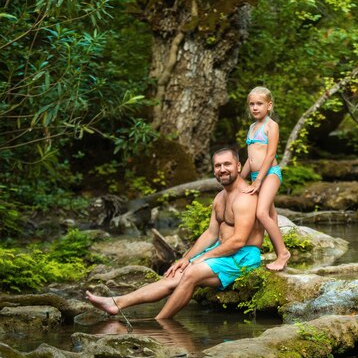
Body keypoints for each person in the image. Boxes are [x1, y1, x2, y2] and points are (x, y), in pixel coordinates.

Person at [86, 148, 264, 320]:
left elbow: (238, 241)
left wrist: (203, 258)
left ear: (239, 167)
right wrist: (185, 259)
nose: (222, 169)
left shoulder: (245, 197)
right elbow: (211, 233)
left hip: (242, 256)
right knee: (174, 275)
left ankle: (159, 324)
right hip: (222, 252)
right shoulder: (220, 198)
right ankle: (116, 303)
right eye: (218, 166)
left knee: (191, 273)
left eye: (227, 164)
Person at [240, 86, 290, 271]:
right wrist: (239, 179)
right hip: (256, 175)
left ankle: (283, 253)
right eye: (251, 104)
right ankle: (272, 254)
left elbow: (269, 156)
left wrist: (258, 180)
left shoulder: (271, 126)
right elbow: (250, 158)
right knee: (269, 215)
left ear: (269, 105)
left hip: (269, 174)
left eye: (259, 104)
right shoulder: (252, 127)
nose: (255, 107)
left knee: (261, 212)